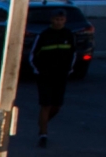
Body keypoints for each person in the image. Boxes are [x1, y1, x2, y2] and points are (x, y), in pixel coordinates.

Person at [32, 9, 79, 148]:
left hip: (61, 76)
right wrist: (39, 71)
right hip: (45, 76)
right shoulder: (44, 35)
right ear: (52, 20)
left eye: (61, 20)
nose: (59, 22)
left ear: (65, 20)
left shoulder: (69, 35)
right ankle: (43, 134)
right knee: (45, 104)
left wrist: (69, 70)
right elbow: (33, 56)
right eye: (56, 19)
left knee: (57, 106)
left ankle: (43, 122)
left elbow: (73, 54)